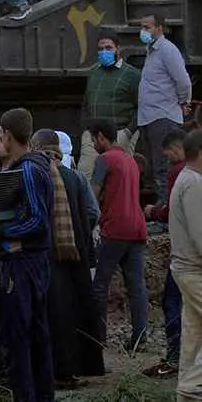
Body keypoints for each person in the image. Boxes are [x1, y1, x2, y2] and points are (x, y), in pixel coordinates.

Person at [0, 108, 55, 402]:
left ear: (9, 136)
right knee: (29, 335)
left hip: (25, 265)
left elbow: (38, 220)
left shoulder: (30, 170)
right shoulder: (18, 168)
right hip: (22, 262)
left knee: (23, 337)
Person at [29, 129, 104, 388]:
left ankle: (55, 370)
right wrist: (78, 235)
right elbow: (93, 212)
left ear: (35, 147)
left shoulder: (36, 175)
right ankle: (78, 368)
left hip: (47, 256)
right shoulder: (75, 178)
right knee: (75, 312)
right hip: (77, 256)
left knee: (52, 315)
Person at [85, 118, 150, 351]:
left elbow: (92, 195)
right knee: (136, 286)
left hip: (115, 229)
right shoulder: (130, 160)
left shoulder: (105, 159)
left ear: (101, 137)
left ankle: (97, 339)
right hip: (137, 228)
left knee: (100, 284)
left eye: (93, 138)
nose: (92, 143)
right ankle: (140, 338)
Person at [144, 130, 187, 378]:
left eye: (168, 152)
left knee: (171, 302)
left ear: (176, 147)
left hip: (185, 254)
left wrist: (152, 212)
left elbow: (172, 211)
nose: (167, 157)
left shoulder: (178, 172)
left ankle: (174, 358)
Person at [139, 12, 193, 196]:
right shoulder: (151, 51)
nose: (143, 31)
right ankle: (161, 212)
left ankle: (165, 215)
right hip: (150, 118)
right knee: (156, 168)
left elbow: (183, 81)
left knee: (163, 169)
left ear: (159, 28)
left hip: (162, 117)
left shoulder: (167, 50)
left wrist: (183, 102)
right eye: (142, 27)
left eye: (147, 27)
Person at [79, 31, 141, 178]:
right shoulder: (94, 73)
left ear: (118, 49)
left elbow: (142, 107)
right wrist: (86, 129)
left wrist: (128, 132)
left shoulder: (133, 75)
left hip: (120, 135)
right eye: (100, 49)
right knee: (85, 174)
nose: (104, 52)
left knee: (119, 177)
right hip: (93, 136)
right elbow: (86, 103)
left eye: (108, 48)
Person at [168, 130, 202, 397]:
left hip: (186, 269)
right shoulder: (194, 184)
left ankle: (187, 394)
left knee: (193, 332)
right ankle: (192, 387)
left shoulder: (187, 179)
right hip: (194, 269)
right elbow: (200, 235)